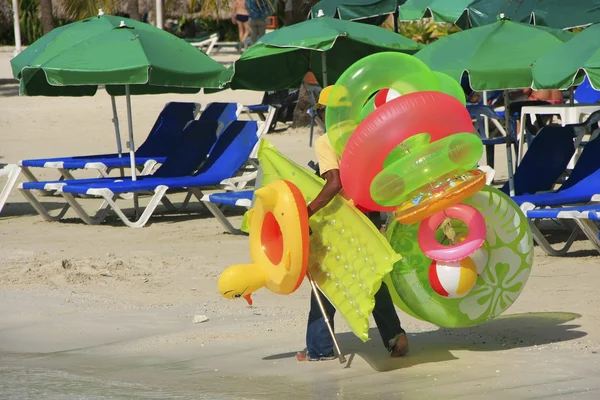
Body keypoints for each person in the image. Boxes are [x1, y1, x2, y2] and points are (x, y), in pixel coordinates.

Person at [295, 86, 409, 362]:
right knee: (372, 277)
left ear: (324, 112)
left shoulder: (327, 141)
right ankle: (395, 337)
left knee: (326, 279)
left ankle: (320, 348)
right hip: (370, 214)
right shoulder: (368, 134)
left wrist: (306, 210)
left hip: (343, 220)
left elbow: (335, 183)